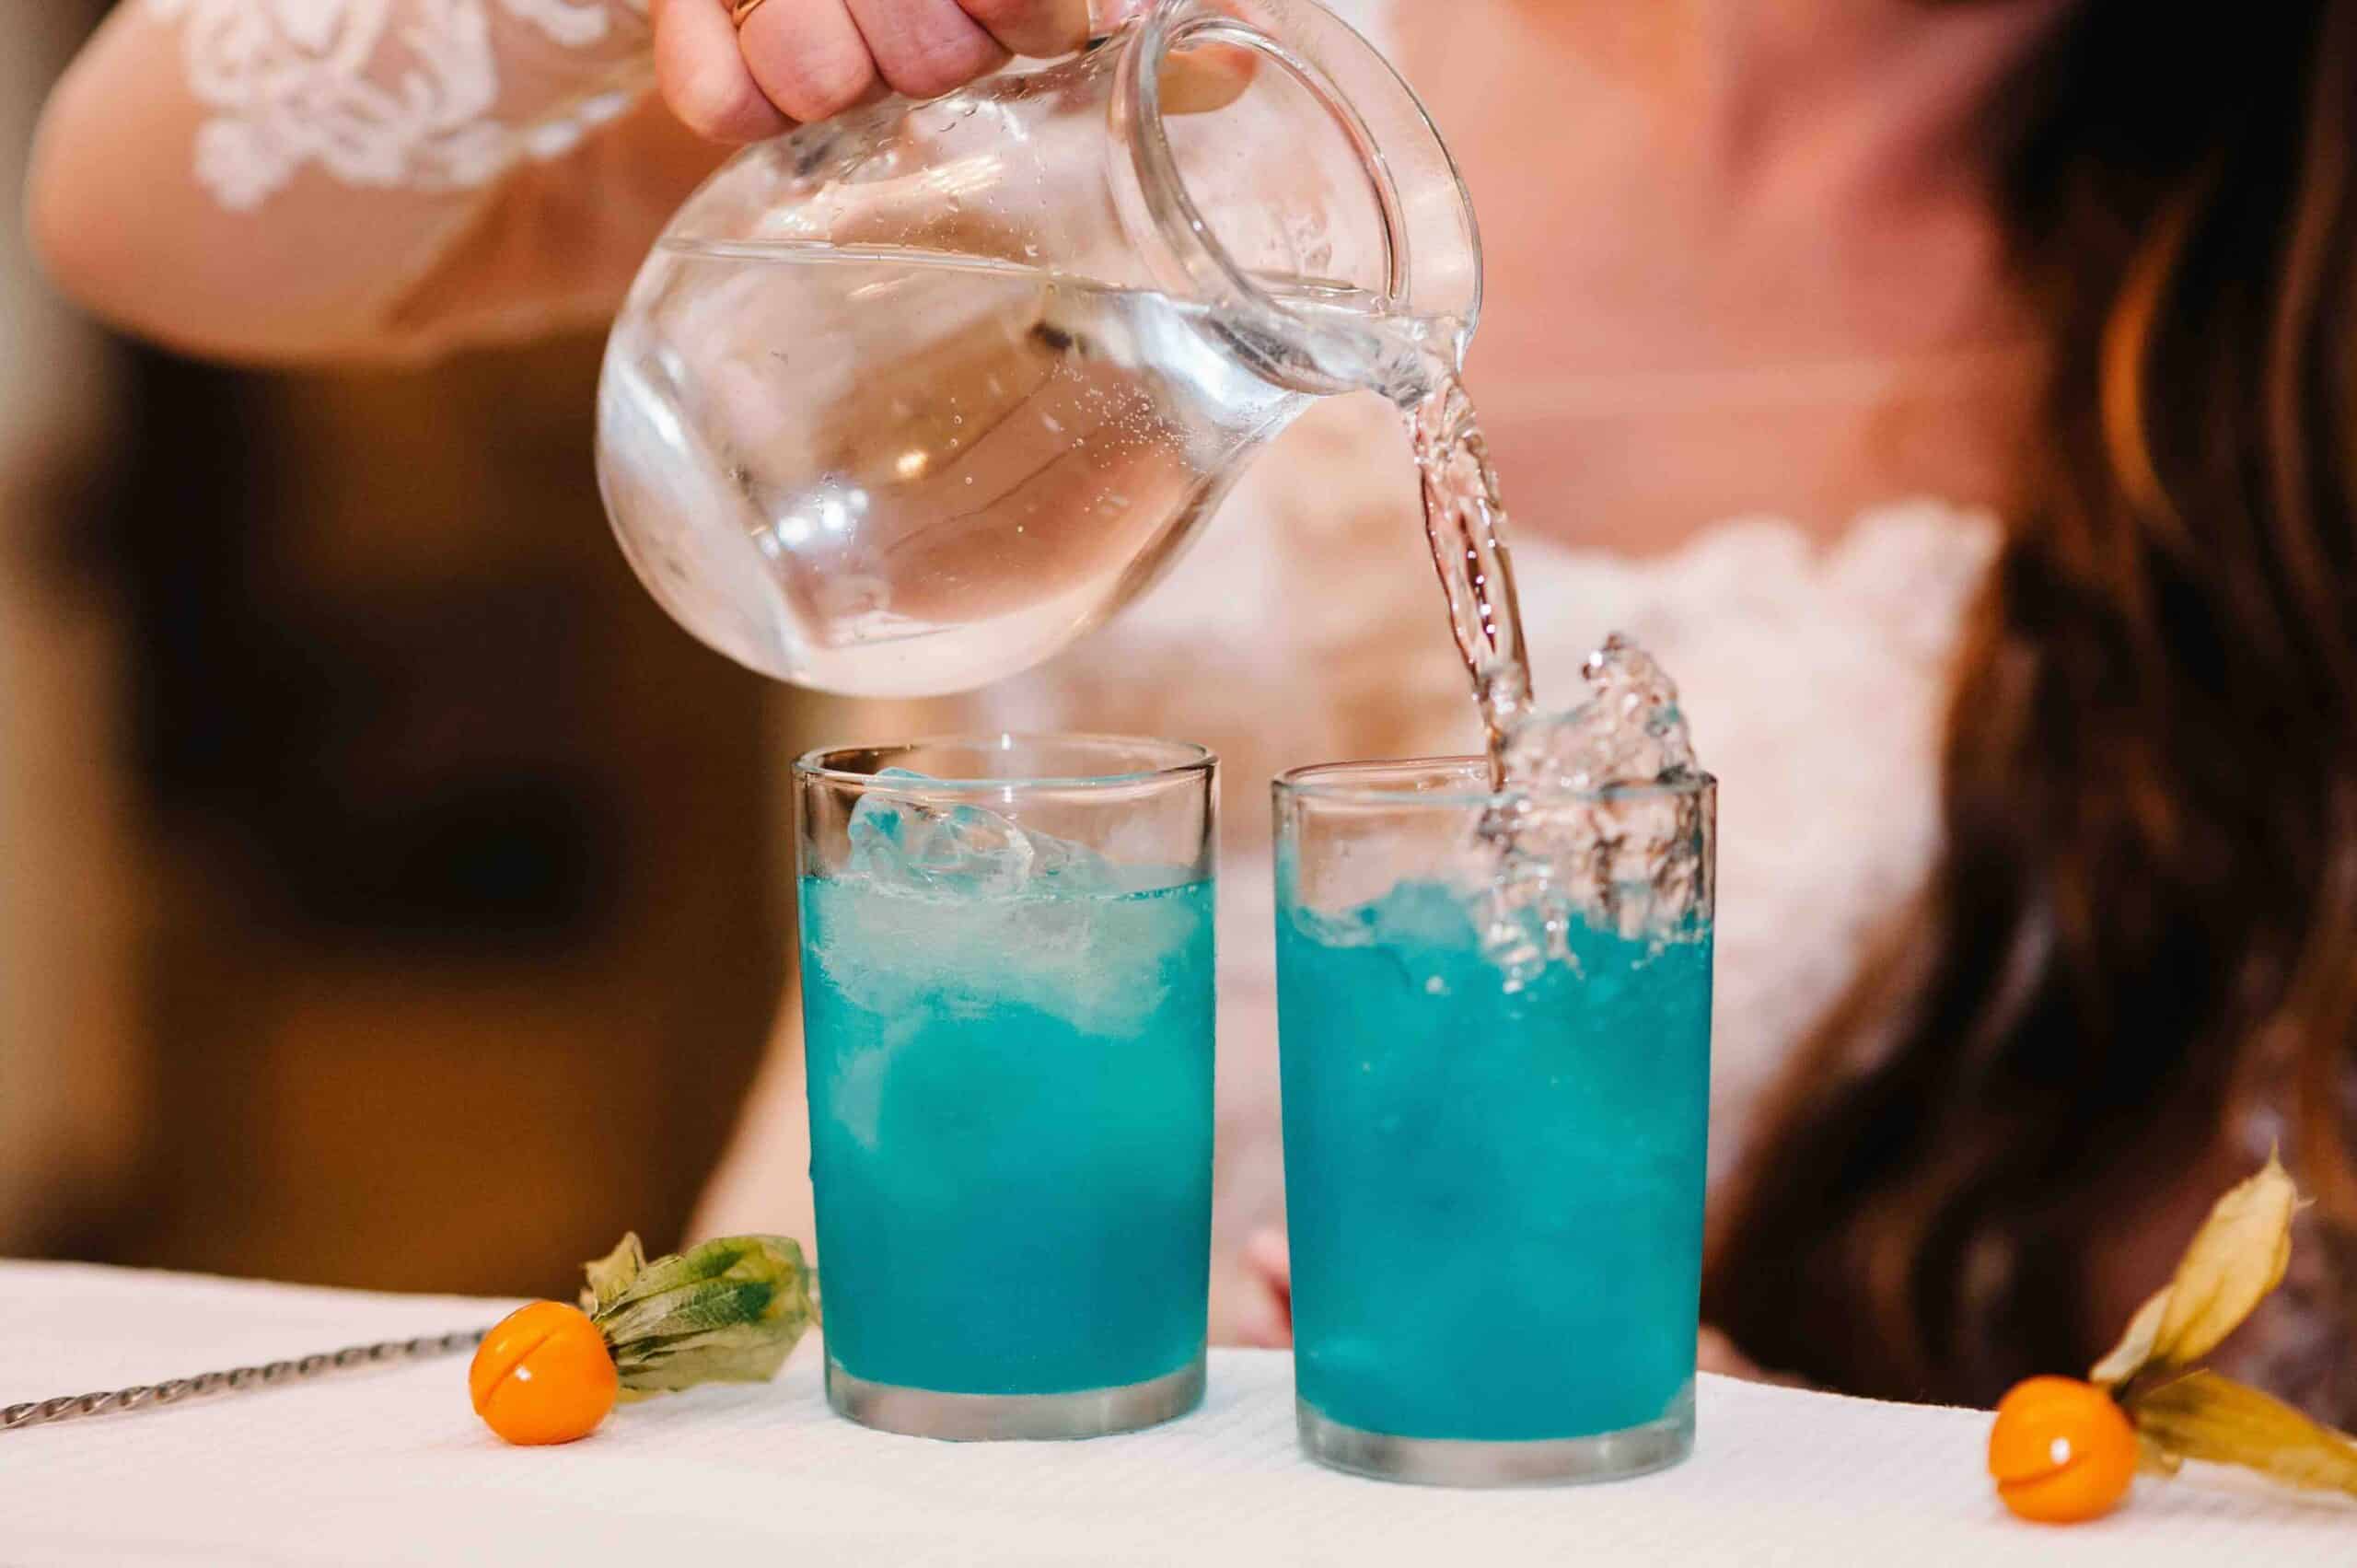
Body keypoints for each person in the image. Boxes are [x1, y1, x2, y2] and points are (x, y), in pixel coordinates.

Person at [29, 0, 2357, 1415]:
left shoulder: (2281, 340)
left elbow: (2218, 1326)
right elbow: (142, 217)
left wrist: (1789, 1472)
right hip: (887, 1431)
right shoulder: (1191, 53)